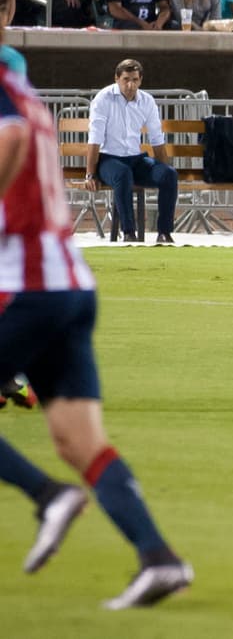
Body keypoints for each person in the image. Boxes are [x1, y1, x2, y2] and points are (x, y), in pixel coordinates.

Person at [0, 32, 193, 610]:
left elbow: (9, 142)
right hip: (71, 286)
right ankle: (158, 557)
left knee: (69, 453)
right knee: (79, 441)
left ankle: (45, 494)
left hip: (29, 286)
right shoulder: (22, 87)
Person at [85, 59, 177, 244]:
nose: (130, 84)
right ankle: (129, 233)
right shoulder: (103, 99)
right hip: (109, 159)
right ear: (116, 79)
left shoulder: (146, 101)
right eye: (126, 79)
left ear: (140, 80)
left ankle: (164, 232)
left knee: (169, 174)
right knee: (122, 174)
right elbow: (94, 140)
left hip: (136, 159)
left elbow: (157, 140)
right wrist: (90, 174)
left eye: (135, 79)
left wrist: (162, 168)